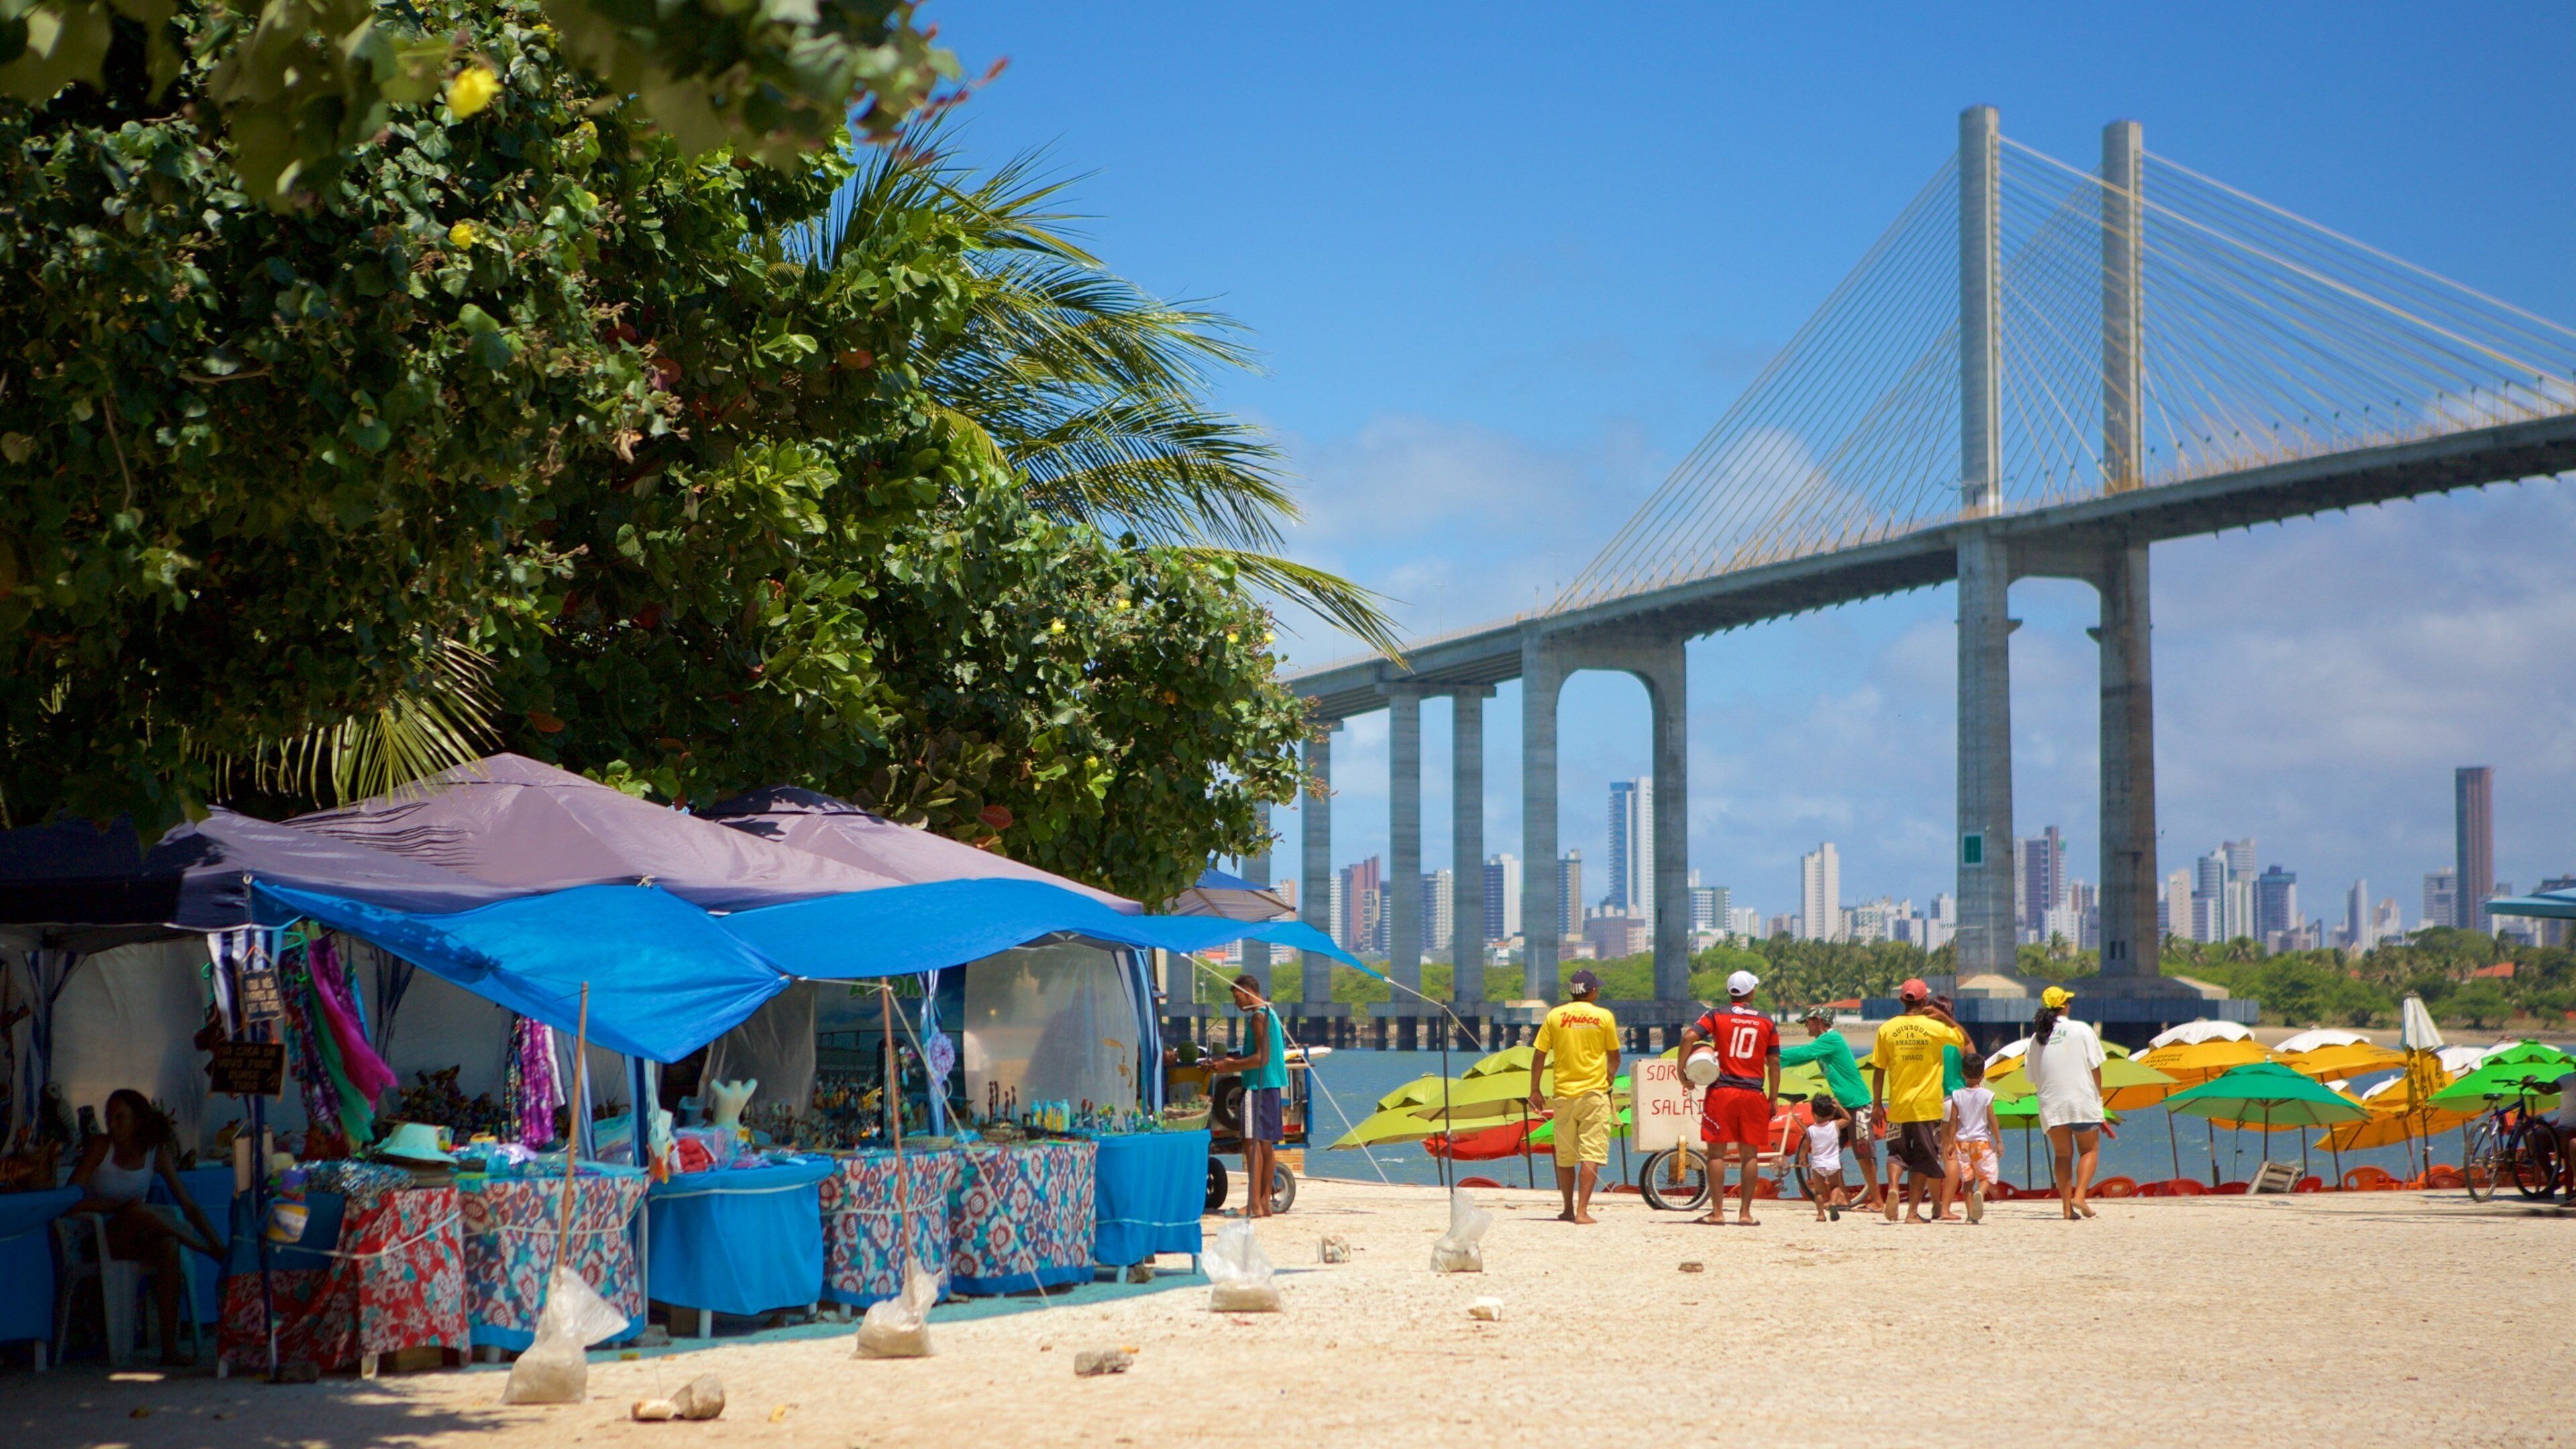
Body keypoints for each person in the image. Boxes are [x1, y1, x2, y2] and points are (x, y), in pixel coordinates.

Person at [68, 1090, 222, 1364]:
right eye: (109, 1117)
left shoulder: (156, 1154)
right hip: (98, 1239)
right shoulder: (101, 1147)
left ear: (138, 1121)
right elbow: (70, 1201)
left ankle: (169, 1349)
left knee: (168, 1245)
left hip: (135, 1237)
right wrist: (117, 1207)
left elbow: (189, 1205)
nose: (112, 1124)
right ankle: (203, 1248)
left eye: (120, 1118)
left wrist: (215, 1239)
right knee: (136, 1209)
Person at [1678, 970, 1781, 1226]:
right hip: (1753, 1091)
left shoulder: (1716, 1015)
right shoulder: (1767, 1021)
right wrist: (1773, 1097)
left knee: (1716, 1154)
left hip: (1723, 1091)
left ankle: (1717, 1212)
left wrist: (1681, 1071)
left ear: (1730, 992)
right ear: (1752, 992)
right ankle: (1745, 1214)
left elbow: (1689, 1036)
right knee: (1750, 1155)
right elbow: (1774, 1062)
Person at [1870, 978, 1968, 1224]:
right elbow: (1963, 1041)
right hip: (1926, 1107)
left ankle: (1893, 1187)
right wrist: (1944, 1018)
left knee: (1896, 1154)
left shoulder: (1887, 1029)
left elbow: (1879, 1069)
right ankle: (1912, 1212)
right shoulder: (1934, 1027)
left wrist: (1877, 1105)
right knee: (1923, 1160)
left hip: (1898, 1106)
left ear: (1902, 1000)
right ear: (1925, 1000)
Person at [1528, 969, 1620, 1224]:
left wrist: (1535, 1090)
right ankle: (1582, 1212)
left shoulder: (1555, 1015)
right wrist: (1609, 1078)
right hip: (1594, 1094)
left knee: (1565, 1155)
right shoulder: (1604, 1016)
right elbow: (1614, 1057)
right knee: (1591, 1153)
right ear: (1592, 991)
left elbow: (1539, 1054)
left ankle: (1568, 1208)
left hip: (1563, 1095)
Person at [1202, 975, 1289, 1219]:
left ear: (1247, 991)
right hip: (1271, 1085)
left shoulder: (1258, 1018)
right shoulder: (1269, 1013)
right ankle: (1263, 1203)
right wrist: (1229, 1061)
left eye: (1236, 996)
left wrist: (1229, 1066)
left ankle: (1254, 1203)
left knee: (1251, 1143)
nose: (1236, 1002)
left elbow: (1262, 1058)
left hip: (1257, 1085)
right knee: (1265, 1144)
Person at [1782, 1006, 1880, 1210]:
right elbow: (1802, 1057)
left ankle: (1878, 1200)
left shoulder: (1831, 1039)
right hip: (1842, 1104)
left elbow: (1804, 1052)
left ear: (1817, 1020)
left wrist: (1773, 1054)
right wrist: (1775, 1060)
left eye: (1807, 1022)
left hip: (1858, 1103)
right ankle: (1842, 1196)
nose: (1806, 1026)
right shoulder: (1823, 1043)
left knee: (1863, 1153)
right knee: (1832, 1150)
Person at [2024, 985, 2108, 1220]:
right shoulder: (2081, 1030)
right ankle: (2080, 1196)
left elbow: (2033, 1078)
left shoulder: (2035, 1039)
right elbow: (2095, 1067)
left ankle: (2065, 1208)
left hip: (2052, 1104)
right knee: (2089, 1150)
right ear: (2065, 1006)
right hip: (2081, 1100)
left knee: (2062, 1156)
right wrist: (2098, 1098)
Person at [1941, 1053, 2002, 1224]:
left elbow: (1953, 1121)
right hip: (1981, 1142)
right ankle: (1980, 1193)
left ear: (1962, 1073)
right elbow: (1992, 1119)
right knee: (1988, 1175)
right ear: (1982, 1075)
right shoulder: (1986, 1095)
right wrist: (1999, 1141)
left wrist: (1950, 1143)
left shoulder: (1957, 1095)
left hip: (1962, 1143)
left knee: (1967, 1181)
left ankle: (1970, 1217)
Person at [1798, 1096, 1851, 1222]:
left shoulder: (1810, 1130)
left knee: (1819, 1192)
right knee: (1835, 1187)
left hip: (1818, 1165)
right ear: (1832, 1114)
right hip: (1833, 1164)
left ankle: (1821, 1215)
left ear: (1813, 1114)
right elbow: (1848, 1119)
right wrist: (1839, 1107)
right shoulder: (1835, 1125)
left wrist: (1802, 1160)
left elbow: (1804, 1149)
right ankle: (1833, 1203)